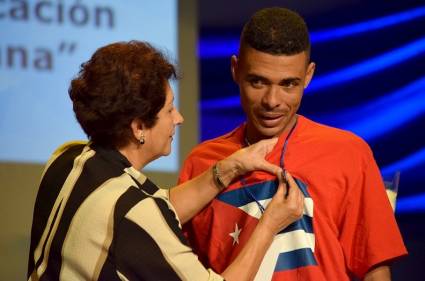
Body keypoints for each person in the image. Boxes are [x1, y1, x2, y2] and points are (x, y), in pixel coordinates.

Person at [27, 41, 305, 281]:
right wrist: (269, 225)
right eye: (169, 109)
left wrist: (230, 167)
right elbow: (140, 218)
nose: (179, 118)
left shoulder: (67, 158)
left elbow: (156, 207)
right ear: (139, 128)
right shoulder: (133, 215)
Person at [178, 7, 407, 281]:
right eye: (258, 81)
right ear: (235, 70)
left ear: (308, 76)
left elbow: (374, 269)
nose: (272, 101)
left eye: (288, 84)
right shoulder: (203, 163)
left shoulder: (349, 153)